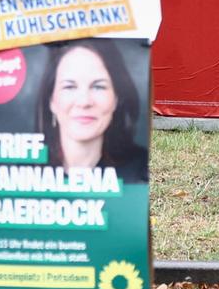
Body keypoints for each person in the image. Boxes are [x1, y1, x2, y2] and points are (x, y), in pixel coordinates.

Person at [36, 39, 147, 182]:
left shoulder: (144, 170)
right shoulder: (19, 176)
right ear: (51, 100)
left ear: (116, 99)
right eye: (69, 87)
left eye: (98, 86)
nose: (84, 102)